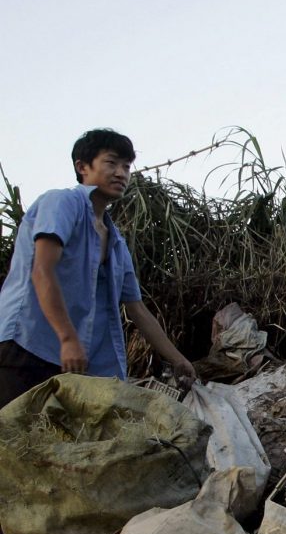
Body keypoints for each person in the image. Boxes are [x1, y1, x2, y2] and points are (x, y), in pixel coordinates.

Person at [0, 129, 197, 409]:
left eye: (126, 166)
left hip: (69, 363)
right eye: (111, 163)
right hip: (25, 345)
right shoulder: (62, 203)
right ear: (83, 167)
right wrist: (68, 338)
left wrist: (178, 359)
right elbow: (42, 270)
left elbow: (137, 309)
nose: (121, 173)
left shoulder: (116, 243)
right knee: (12, 431)